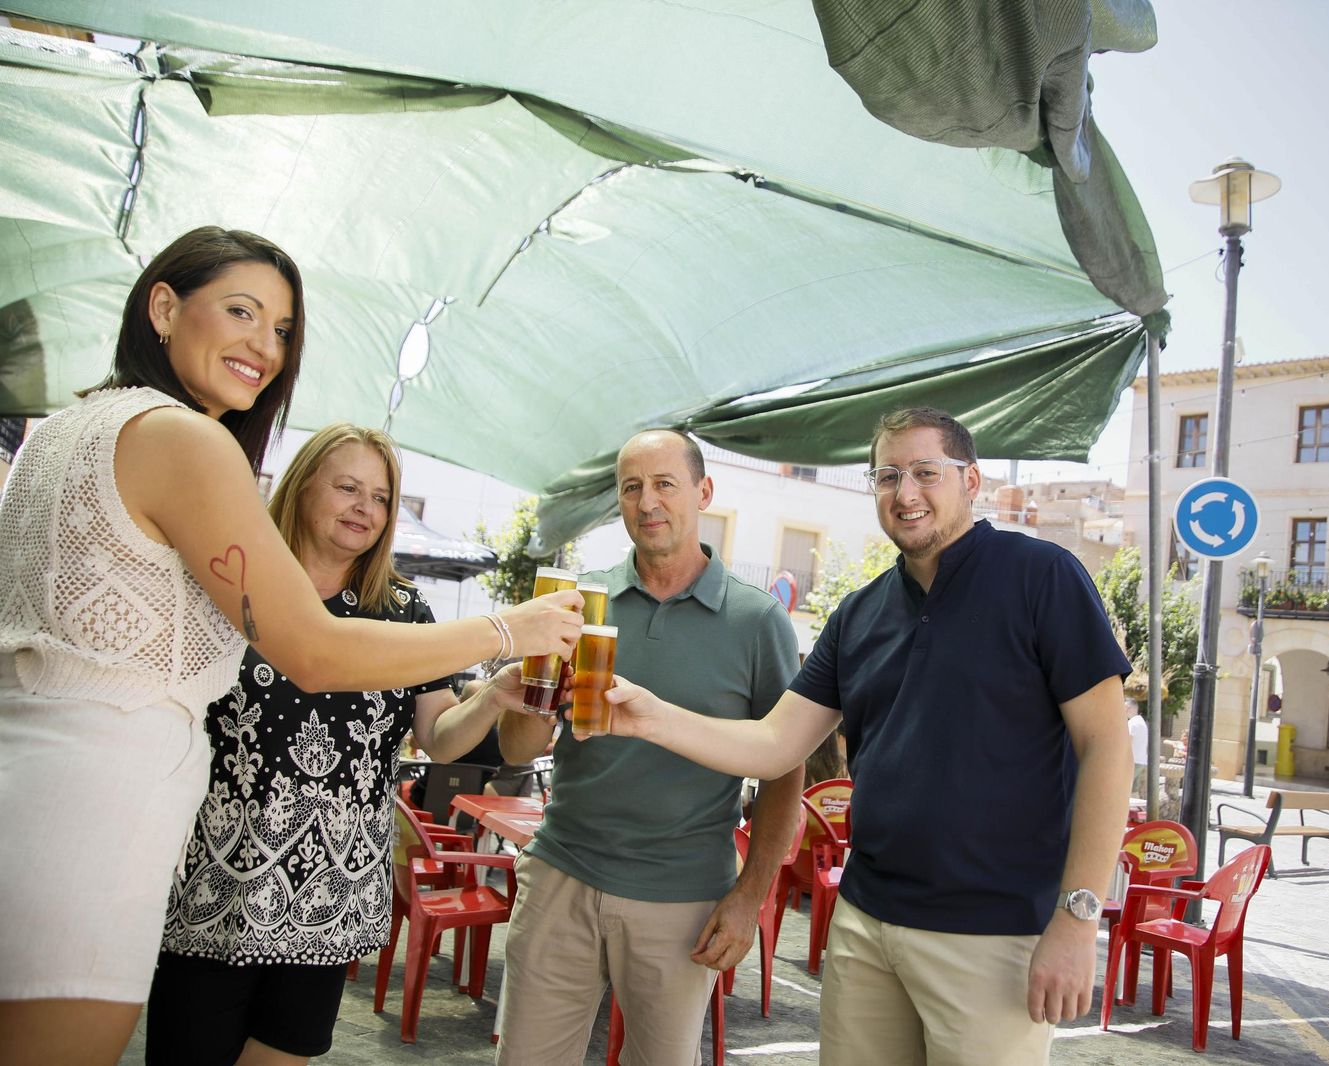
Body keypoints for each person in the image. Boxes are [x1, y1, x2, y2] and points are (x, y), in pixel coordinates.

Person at [0, 227, 582, 1066]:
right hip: (104, 825)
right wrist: (510, 628)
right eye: (241, 311)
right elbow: (312, 649)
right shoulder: (184, 441)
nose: (264, 347)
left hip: (48, 791)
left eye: (280, 330)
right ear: (162, 306)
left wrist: (494, 690)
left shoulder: (62, 431)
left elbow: (440, 729)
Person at [601, 407, 1133, 1065]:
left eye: (924, 472)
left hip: (995, 936)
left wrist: (1079, 920)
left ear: (971, 480)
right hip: (866, 924)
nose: (905, 493)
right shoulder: (859, 613)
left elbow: (1107, 747)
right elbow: (774, 745)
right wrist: (647, 714)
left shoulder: (1040, 576)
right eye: (887, 476)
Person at [143, 423, 546, 1065]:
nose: (366, 507)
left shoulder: (404, 610)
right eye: (348, 487)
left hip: (331, 888)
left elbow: (439, 739)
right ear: (302, 488)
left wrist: (493, 696)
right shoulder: (235, 581)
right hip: (215, 880)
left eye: (381, 497)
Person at [495, 429, 804, 1066]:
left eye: (665, 484)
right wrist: (533, 694)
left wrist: (751, 898)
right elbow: (519, 749)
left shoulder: (756, 622)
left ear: (703, 492)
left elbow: (784, 771)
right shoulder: (578, 600)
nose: (647, 501)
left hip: (683, 898)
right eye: (632, 487)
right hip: (562, 877)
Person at [1128, 696, 1150, 797]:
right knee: (1133, 790)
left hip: (1132, 761)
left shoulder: (1132, 723)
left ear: (1128, 707)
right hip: (1140, 761)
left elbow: (1128, 742)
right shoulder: (1141, 722)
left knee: (1125, 787)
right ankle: (1135, 811)